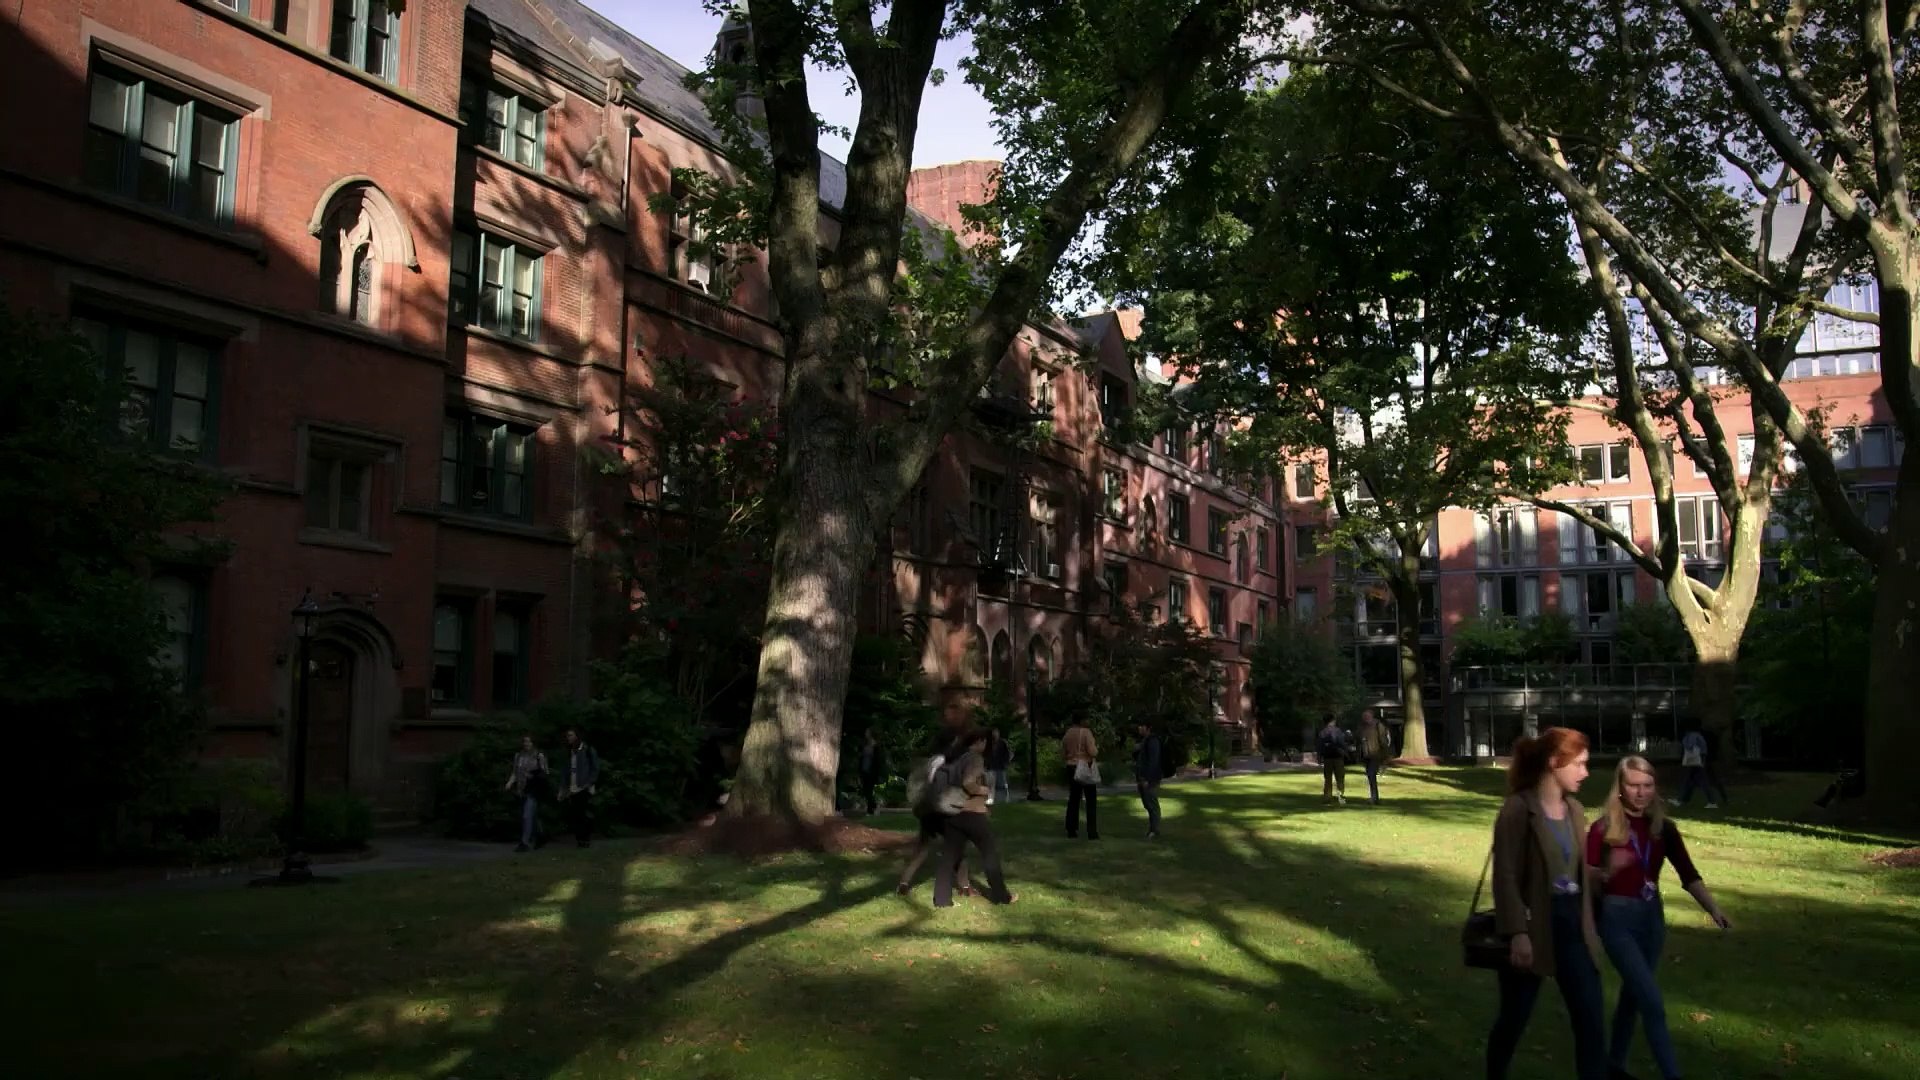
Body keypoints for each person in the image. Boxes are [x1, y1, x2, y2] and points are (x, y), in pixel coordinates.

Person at [1588, 756, 1731, 1080]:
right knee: (1651, 1001)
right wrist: (1601, 876)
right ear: (1620, 788)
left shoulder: (1664, 829)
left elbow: (1688, 874)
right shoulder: (1602, 829)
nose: (1641, 793)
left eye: (1647, 785)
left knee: (1634, 994)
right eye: (1634, 785)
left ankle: (1615, 1066)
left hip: (1651, 918)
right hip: (1617, 919)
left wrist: (1713, 908)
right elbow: (1587, 874)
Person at [1486, 726, 1607, 1080]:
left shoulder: (1575, 810)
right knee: (1514, 1017)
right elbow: (1505, 875)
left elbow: (1572, 867)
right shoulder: (1518, 809)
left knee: (1591, 1018)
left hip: (1573, 923)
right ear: (1555, 762)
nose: (1585, 772)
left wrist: (1602, 878)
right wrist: (1517, 933)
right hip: (1534, 922)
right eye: (1579, 764)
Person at [933, 727, 1016, 908]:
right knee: (989, 854)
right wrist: (984, 790)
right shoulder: (975, 759)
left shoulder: (960, 758)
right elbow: (969, 783)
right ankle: (1001, 896)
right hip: (972, 813)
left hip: (955, 812)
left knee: (948, 857)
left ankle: (941, 899)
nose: (986, 745)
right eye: (985, 741)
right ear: (979, 741)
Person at [898, 733, 971, 897]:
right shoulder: (951, 763)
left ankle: (904, 882)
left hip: (927, 810)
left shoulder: (930, 762)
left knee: (922, 849)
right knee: (959, 849)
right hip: (944, 811)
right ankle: (965, 887)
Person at [503, 734, 549, 852]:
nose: (526, 744)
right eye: (524, 742)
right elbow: (515, 772)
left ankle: (524, 842)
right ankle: (540, 836)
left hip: (533, 789)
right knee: (532, 815)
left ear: (533, 743)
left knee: (527, 815)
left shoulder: (539, 756)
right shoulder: (519, 756)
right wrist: (510, 782)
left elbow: (545, 772)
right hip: (521, 789)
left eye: (529, 742)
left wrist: (534, 776)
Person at [558, 727, 599, 848]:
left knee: (582, 813)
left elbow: (595, 768)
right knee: (576, 815)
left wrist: (590, 782)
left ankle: (585, 839)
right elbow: (566, 770)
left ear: (576, 736)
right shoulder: (570, 751)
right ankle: (580, 839)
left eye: (571, 735)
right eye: (567, 736)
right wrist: (563, 787)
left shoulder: (587, 749)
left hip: (583, 786)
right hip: (573, 787)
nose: (568, 738)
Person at [1062, 715, 1100, 840]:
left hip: (1071, 766)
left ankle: (1071, 829)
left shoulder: (1068, 733)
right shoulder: (1086, 732)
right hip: (1084, 766)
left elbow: (1063, 752)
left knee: (1073, 798)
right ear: (1082, 720)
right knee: (1091, 800)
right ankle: (1092, 831)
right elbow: (1092, 751)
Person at [1671, 729, 1727, 809]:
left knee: (1702, 781)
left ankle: (1712, 801)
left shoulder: (1692, 736)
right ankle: (1682, 800)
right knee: (1690, 781)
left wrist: (1684, 743)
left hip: (1696, 761)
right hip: (1702, 760)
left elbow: (1690, 746)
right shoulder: (1701, 736)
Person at [1133, 721, 1164, 839]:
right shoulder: (1145, 741)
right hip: (1142, 777)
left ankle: (1154, 830)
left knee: (1152, 804)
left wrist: (1148, 779)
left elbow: (1153, 761)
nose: (1139, 728)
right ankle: (1152, 828)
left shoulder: (1153, 741)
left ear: (1148, 728)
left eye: (1142, 726)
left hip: (1149, 779)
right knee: (1147, 804)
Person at [1356, 709, 1392, 805]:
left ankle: (1374, 797)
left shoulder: (1378, 725)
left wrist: (1386, 756)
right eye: (1364, 717)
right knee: (1370, 776)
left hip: (1375, 754)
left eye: (1367, 716)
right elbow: (1358, 740)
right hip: (1365, 755)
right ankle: (1374, 797)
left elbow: (1383, 741)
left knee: (1371, 775)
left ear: (1371, 716)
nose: (1365, 718)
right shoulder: (1362, 726)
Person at [1317, 715, 1350, 806]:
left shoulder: (1322, 732)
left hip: (1327, 757)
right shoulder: (1337, 731)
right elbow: (1342, 743)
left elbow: (1319, 746)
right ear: (1332, 721)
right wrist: (1346, 752)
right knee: (1340, 778)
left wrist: (1319, 757)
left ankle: (1327, 797)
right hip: (1337, 757)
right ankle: (1340, 796)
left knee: (1328, 778)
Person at [984, 729, 1013, 806]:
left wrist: (1006, 762)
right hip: (990, 767)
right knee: (990, 784)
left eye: (996, 732)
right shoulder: (988, 743)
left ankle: (1003, 799)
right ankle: (991, 799)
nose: (995, 734)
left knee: (1002, 784)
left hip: (1000, 767)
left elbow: (1008, 753)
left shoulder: (1002, 743)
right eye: (993, 732)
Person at [858, 729, 884, 816]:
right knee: (865, 791)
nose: (866, 734)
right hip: (864, 770)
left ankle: (871, 809)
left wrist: (877, 774)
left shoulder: (876, 747)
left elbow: (878, 762)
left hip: (871, 772)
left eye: (867, 733)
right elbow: (861, 758)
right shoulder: (865, 745)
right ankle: (873, 806)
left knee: (869, 791)